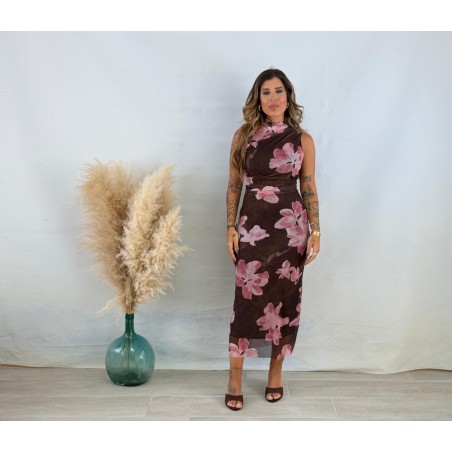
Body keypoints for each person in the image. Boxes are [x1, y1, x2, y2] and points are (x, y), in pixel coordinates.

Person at [225, 68, 321, 410]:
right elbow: (234, 184)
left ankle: (275, 373)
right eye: (266, 92)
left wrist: (315, 230)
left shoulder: (302, 139)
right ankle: (234, 377)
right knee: (246, 301)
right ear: (258, 99)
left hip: (291, 229)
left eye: (278, 91)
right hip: (252, 226)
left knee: (284, 299)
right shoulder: (243, 136)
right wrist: (230, 227)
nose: (273, 98)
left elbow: (308, 186)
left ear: (288, 96)